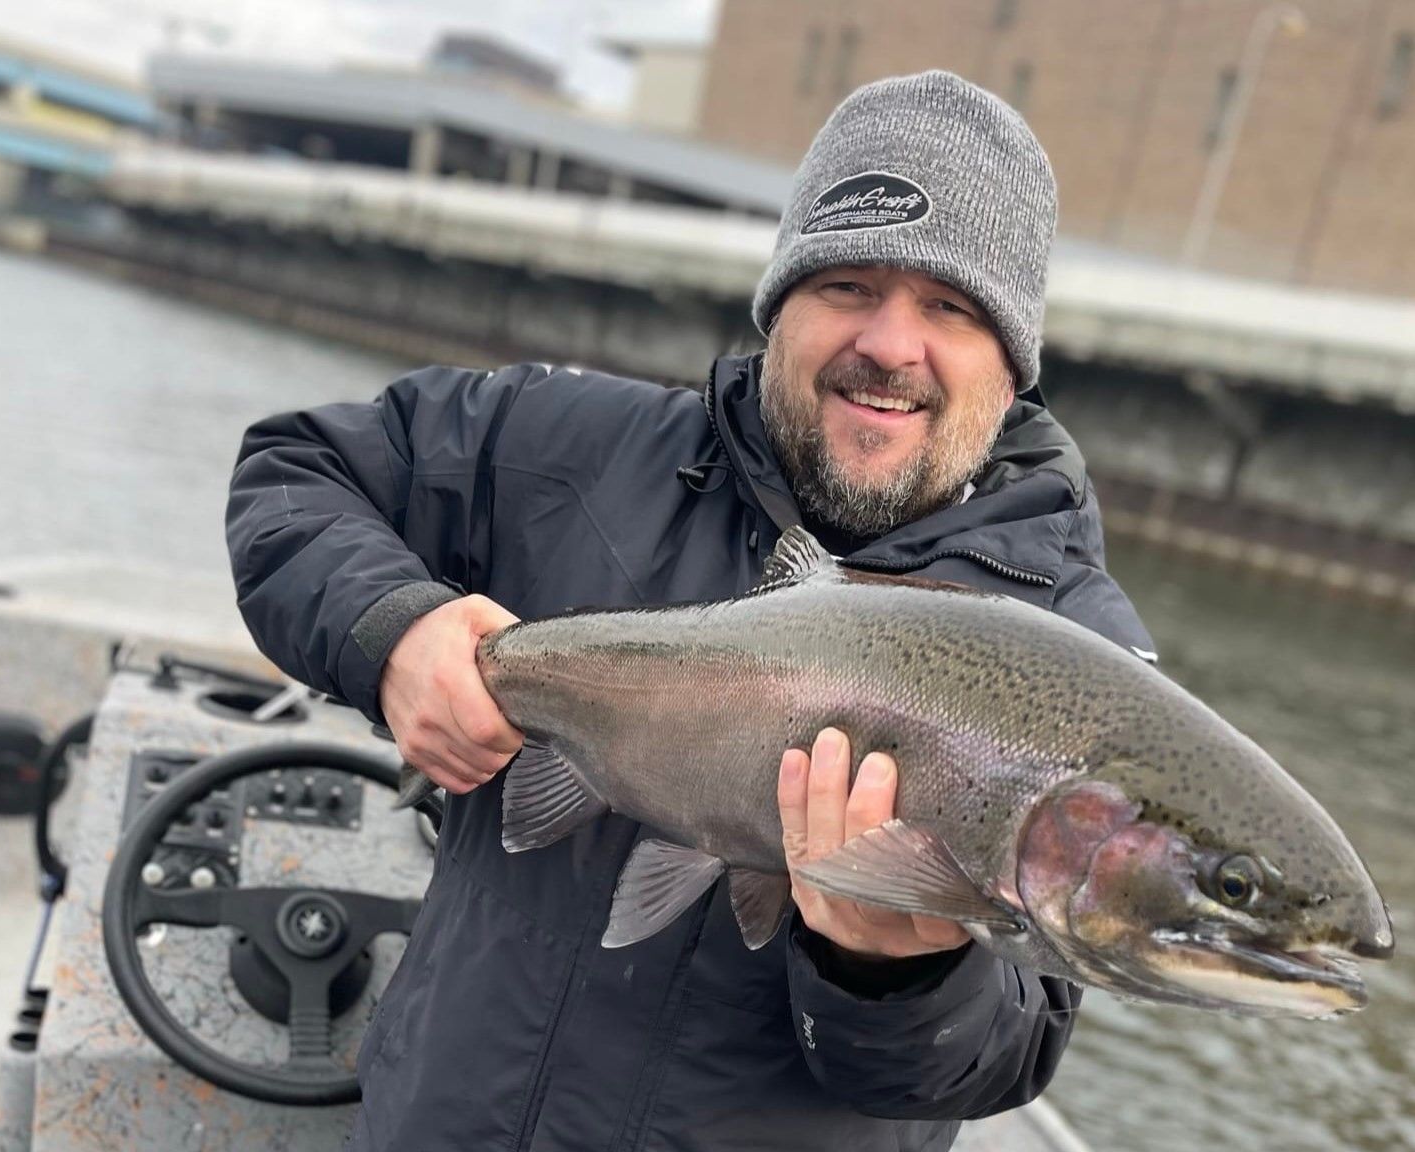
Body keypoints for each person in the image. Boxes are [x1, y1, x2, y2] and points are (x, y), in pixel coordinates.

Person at [227, 70, 1154, 1152]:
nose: (892, 345)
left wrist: (892, 974)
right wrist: (390, 631)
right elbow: (297, 469)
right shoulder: (570, 444)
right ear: (780, 304)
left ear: (1013, 360)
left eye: (951, 308)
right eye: (848, 285)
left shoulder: (1084, 651)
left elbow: (1004, 1052)